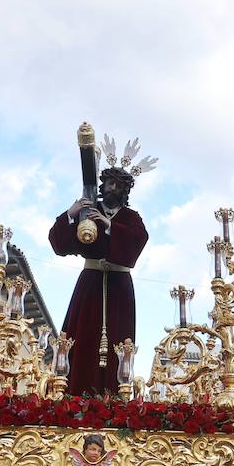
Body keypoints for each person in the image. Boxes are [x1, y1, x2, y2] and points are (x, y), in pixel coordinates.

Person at [48, 152, 150, 395]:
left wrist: (109, 225)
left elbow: (139, 240)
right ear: (102, 185)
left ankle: (115, 398)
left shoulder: (131, 217)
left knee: (119, 342)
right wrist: (71, 213)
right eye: (110, 183)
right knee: (82, 338)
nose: (113, 188)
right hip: (90, 285)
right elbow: (60, 245)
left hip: (119, 287)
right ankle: (74, 395)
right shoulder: (88, 210)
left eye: (119, 185)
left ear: (125, 191)